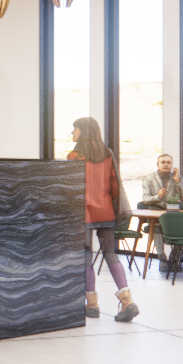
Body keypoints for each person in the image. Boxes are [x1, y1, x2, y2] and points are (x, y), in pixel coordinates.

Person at [68, 117, 137, 322]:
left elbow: (72, 188)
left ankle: (92, 305)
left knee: (86, 257)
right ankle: (127, 301)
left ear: (83, 132)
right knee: (111, 254)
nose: (72, 134)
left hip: (85, 213)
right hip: (107, 212)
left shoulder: (74, 156)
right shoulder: (108, 154)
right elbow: (115, 185)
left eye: (75, 130)